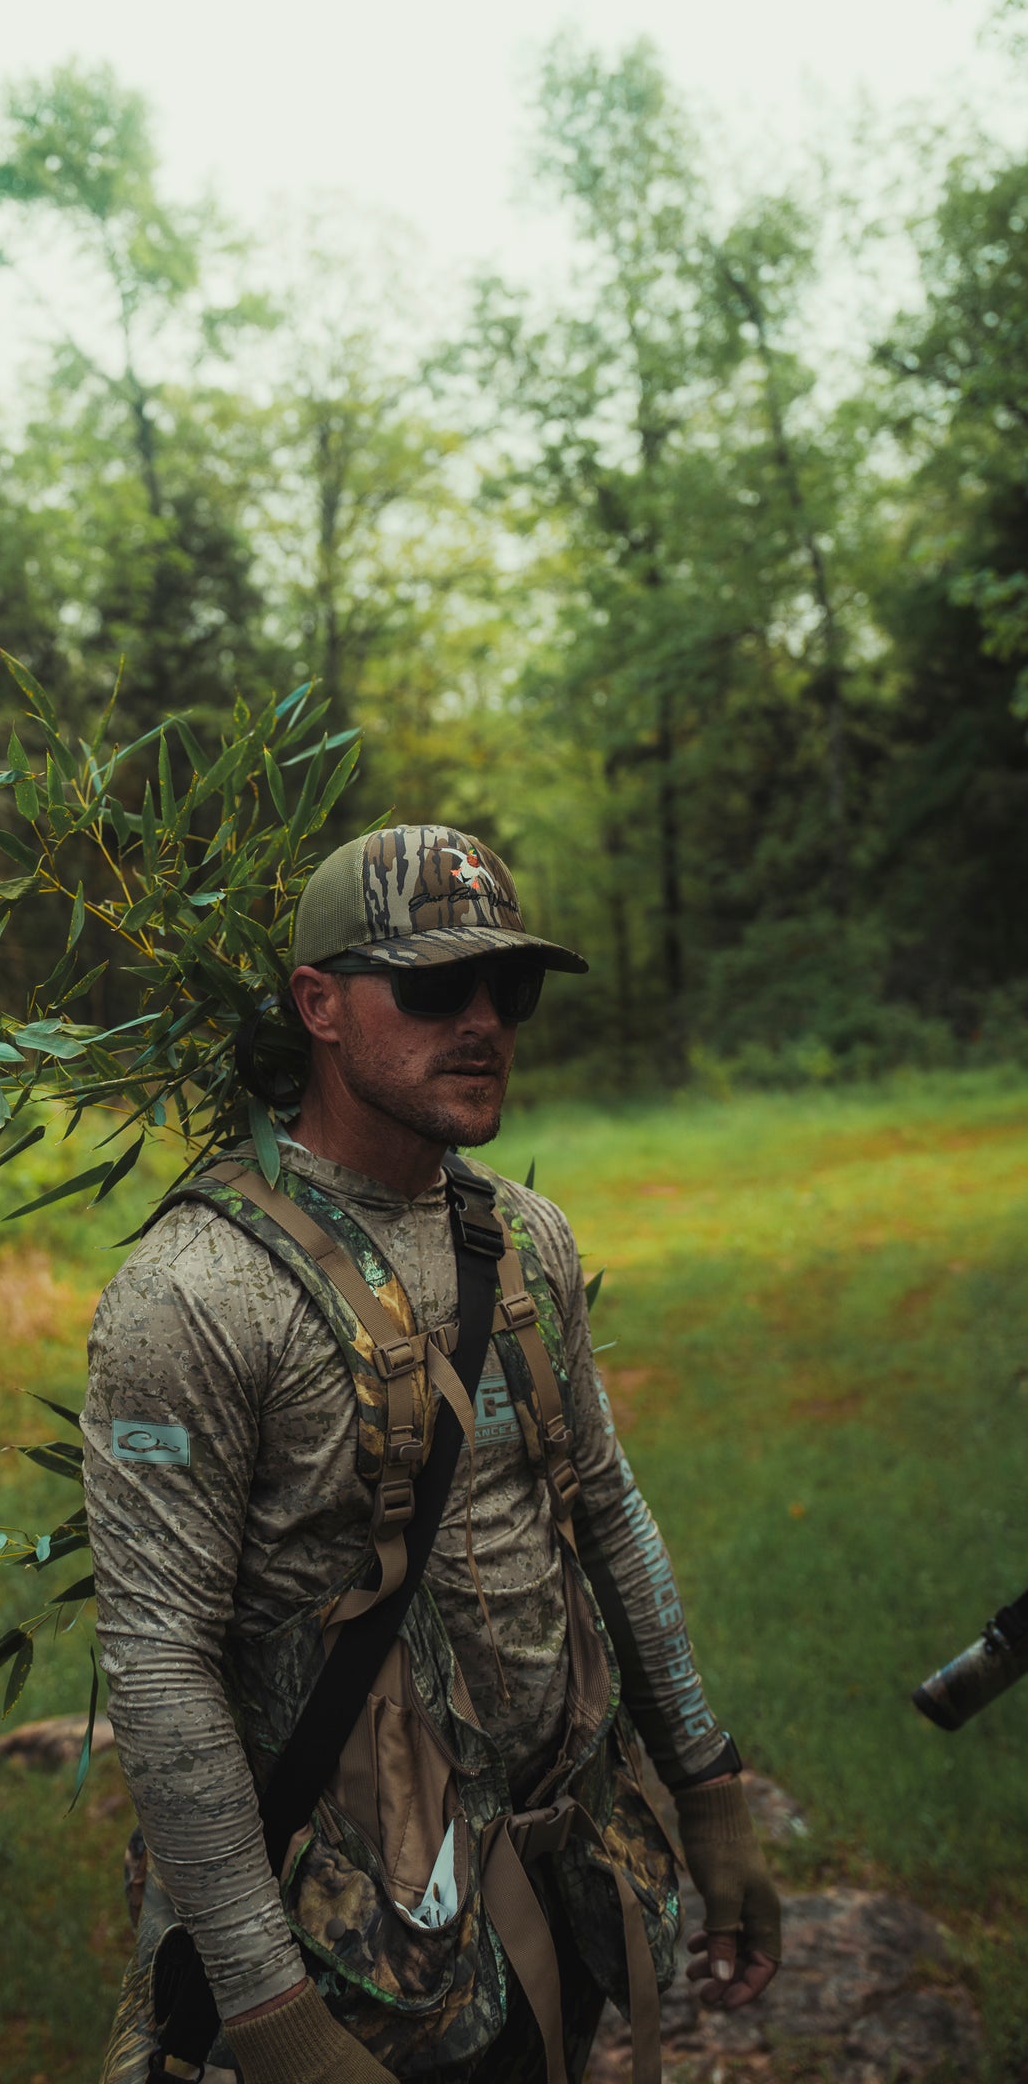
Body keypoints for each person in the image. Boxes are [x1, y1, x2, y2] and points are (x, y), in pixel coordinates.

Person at [83, 824, 780, 2084]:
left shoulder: (523, 1239)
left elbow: (604, 1508)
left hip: (548, 1881)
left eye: (504, 986)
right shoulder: (192, 1292)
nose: (480, 1019)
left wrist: (707, 1783)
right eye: (429, 984)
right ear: (319, 1006)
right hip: (345, 1944)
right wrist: (266, 2007)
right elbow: (157, 1660)